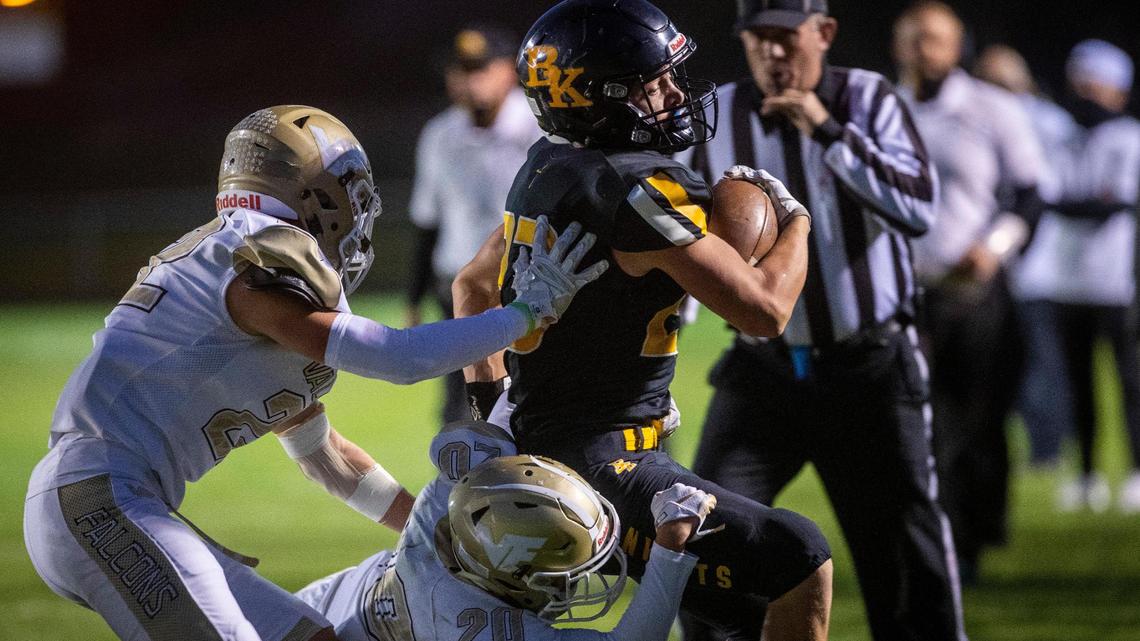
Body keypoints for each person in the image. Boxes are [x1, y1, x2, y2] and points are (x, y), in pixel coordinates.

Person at [22, 105, 605, 641]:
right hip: (96, 496)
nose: (358, 209)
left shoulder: (244, 277)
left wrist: (430, 532)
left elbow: (325, 457)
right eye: (348, 191)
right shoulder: (255, 264)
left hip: (112, 498)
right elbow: (396, 357)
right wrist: (527, 312)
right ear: (314, 195)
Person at [453, 2, 834, 640]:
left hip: (555, 450)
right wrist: (796, 219)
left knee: (748, 609)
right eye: (649, 83)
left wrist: (494, 415)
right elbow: (766, 310)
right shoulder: (635, 190)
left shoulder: (546, 167)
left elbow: (470, 286)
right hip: (607, 466)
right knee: (800, 557)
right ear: (593, 97)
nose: (669, 93)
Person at [675, 0, 962, 639]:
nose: (773, 54)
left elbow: (919, 209)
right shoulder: (720, 111)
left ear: (824, 33)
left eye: (787, 38)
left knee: (900, 546)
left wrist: (826, 130)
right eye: (759, 40)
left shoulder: (867, 97)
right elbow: (685, 231)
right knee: (703, 525)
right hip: (762, 368)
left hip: (868, 363)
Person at [295, 420, 717, 641]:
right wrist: (670, 547)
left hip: (307, 607)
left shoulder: (455, 502)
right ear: (510, 575)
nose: (579, 579)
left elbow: (500, 432)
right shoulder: (470, 626)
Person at [893, 0, 1048, 582]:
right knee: (921, 422)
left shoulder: (991, 108)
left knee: (978, 419)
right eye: (913, 39)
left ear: (957, 46)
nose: (922, 50)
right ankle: (942, 540)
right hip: (907, 294)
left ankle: (976, 536)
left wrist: (994, 249)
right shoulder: (883, 108)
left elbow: (1031, 193)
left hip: (976, 294)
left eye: (934, 39)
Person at [1013, 39, 1140, 513]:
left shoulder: (1129, 136)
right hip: (1065, 280)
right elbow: (1053, 195)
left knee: (1129, 383)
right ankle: (1086, 475)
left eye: (1097, 84)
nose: (1086, 93)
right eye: (1081, 82)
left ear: (1119, 91)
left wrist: (1074, 203)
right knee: (1078, 383)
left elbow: (1110, 204)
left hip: (1113, 282)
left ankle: (1133, 473)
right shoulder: (1059, 132)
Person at [405, 25, 544, 423]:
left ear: (508, 71)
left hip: (529, 287)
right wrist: (414, 298)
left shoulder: (540, 125)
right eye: (461, 70)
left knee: (535, 398)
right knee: (462, 407)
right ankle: (464, 483)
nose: (470, 81)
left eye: (481, 69)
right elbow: (427, 221)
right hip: (458, 288)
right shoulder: (440, 134)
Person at [973, 44, 1082, 469]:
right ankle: (1018, 444)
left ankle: (1048, 446)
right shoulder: (992, 116)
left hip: (1034, 263)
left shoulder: (1043, 121)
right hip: (995, 262)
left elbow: (1045, 192)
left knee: (1038, 360)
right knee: (1004, 362)